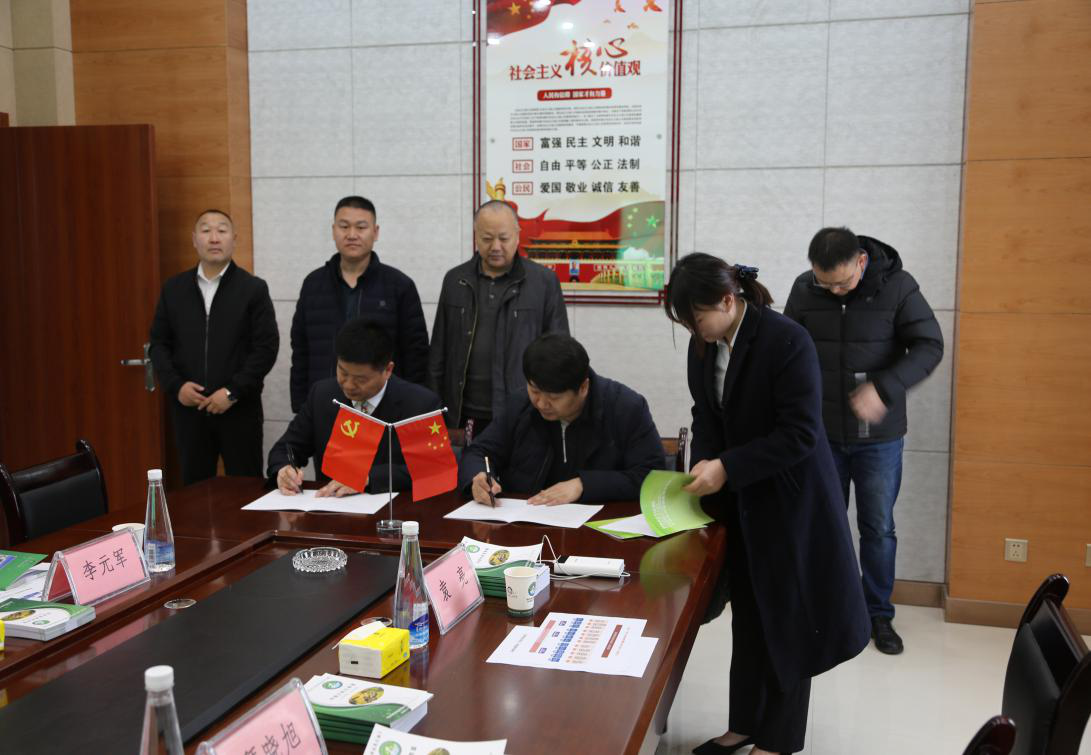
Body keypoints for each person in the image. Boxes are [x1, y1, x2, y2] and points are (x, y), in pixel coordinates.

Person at [665, 253, 869, 755]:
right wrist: (706, 459)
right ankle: (745, 724)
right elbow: (706, 413)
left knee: (787, 619)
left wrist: (727, 466)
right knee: (750, 616)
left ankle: (778, 739)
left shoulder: (786, 340)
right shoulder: (704, 346)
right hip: (740, 501)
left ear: (727, 300)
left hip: (790, 501)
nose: (694, 330)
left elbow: (800, 434)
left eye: (697, 318)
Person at [783, 227, 943, 656]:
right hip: (820, 435)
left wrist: (884, 388)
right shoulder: (804, 288)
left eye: (843, 283)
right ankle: (830, 608)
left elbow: (929, 345)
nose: (834, 291)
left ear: (861, 261)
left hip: (879, 439)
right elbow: (787, 350)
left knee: (878, 528)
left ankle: (878, 614)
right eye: (826, 284)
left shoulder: (898, 287)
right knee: (824, 524)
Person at [149, 209, 278, 485]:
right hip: (189, 409)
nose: (214, 238)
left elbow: (266, 348)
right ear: (194, 239)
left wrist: (232, 392)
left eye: (222, 230)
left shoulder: (253, 289)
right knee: (194, 491)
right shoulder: (174, 289)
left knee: (245, 488)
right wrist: (176, 386)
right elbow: (158, 344)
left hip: (239, 409)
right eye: (206, 230)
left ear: (234, 239)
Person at [460, 333, 663, 505]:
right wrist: (478, 478)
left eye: (554, 397)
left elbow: (652, 476)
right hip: (526, 522)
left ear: (583, 388)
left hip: (598, 527)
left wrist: (584, 484)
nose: (541, 403)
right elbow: (479, 452)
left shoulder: (626, 408)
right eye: (535, 391)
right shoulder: (520, 404)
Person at [428, 200, 568, 436]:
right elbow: (438, 352)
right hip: (462, 414)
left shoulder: (543, 282)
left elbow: (558, 352)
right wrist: (434, 411)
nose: (495, 246)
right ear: (475, 236)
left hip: (522, 412)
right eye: (486, 238)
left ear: (517, 235)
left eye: (503, 238)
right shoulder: (455, 280)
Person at [269, 318, 441, 496]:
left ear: (388, 370)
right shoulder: (322, 395)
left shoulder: (420, 404)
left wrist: (368, 478)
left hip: (393, 508)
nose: (349, 385)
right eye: (343, 372)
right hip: (330, 506)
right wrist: (284, 470)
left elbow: (432, 468)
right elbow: (286, 448)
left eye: (361, 379)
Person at [289, 196, 429, 413]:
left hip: (383, 407)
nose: (352, 234)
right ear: (333, 230)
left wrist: (412, 406)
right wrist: (301, 405)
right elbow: (300, 350)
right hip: (325, 404)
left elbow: (416, 354)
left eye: (361, 227)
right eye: (344, 226)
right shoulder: (313, 284)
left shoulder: (399, 285)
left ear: (375, 232)